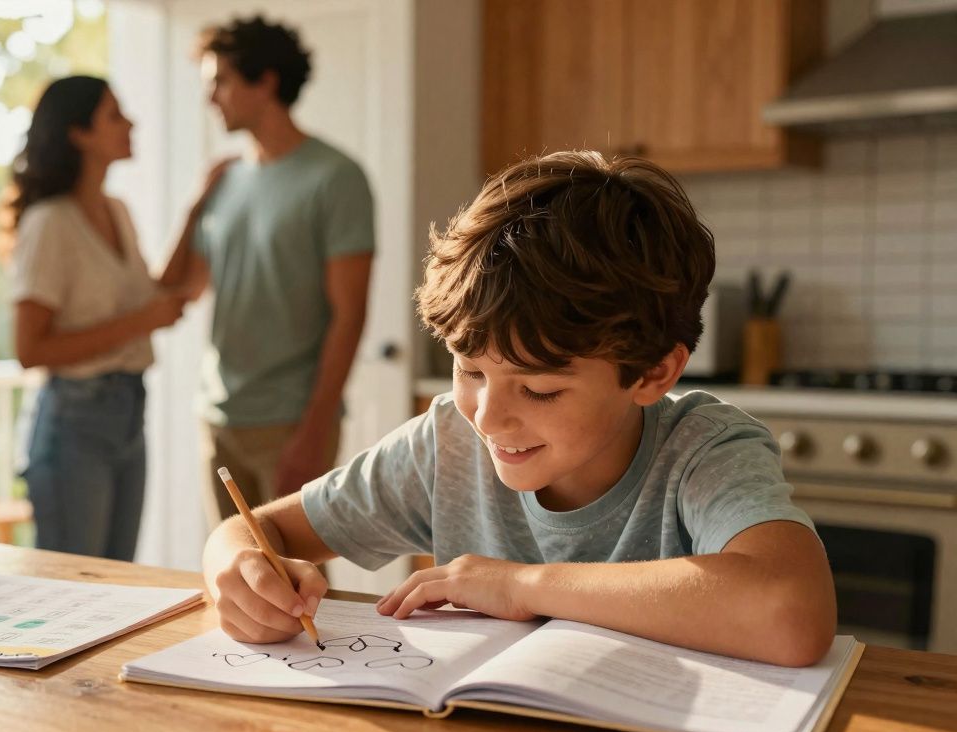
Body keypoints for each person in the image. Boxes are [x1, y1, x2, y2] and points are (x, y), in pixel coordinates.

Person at [200, 151, 838, 667]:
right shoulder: (447, 444)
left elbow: (790, 614)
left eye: (540, 390)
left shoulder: (703, 450)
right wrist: (239, 568)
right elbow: (253, 529)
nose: (487, 417)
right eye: (470, 370)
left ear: (652, 373)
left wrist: (520, 585)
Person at [159, 16, 376, 529]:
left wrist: (314, 431)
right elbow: (182, 289)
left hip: (291, 421)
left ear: (266, 82)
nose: (211, 98)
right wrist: (193, 207)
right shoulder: (224, 181)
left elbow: (349, 315)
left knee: (297, 571)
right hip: (218, 417)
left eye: (221, 81)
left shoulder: (336, 178)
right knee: (232, 566)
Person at [11, 76, 211, 560]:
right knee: (76, 585)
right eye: (115, 115)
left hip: (128, 412)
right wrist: (143, 321)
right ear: (79, 133)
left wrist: (197, 211)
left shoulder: (117, 211)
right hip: (75, 425)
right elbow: (30, 350)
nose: (131, 124)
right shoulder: (49, 223)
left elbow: (152, 295)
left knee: (119, 580)